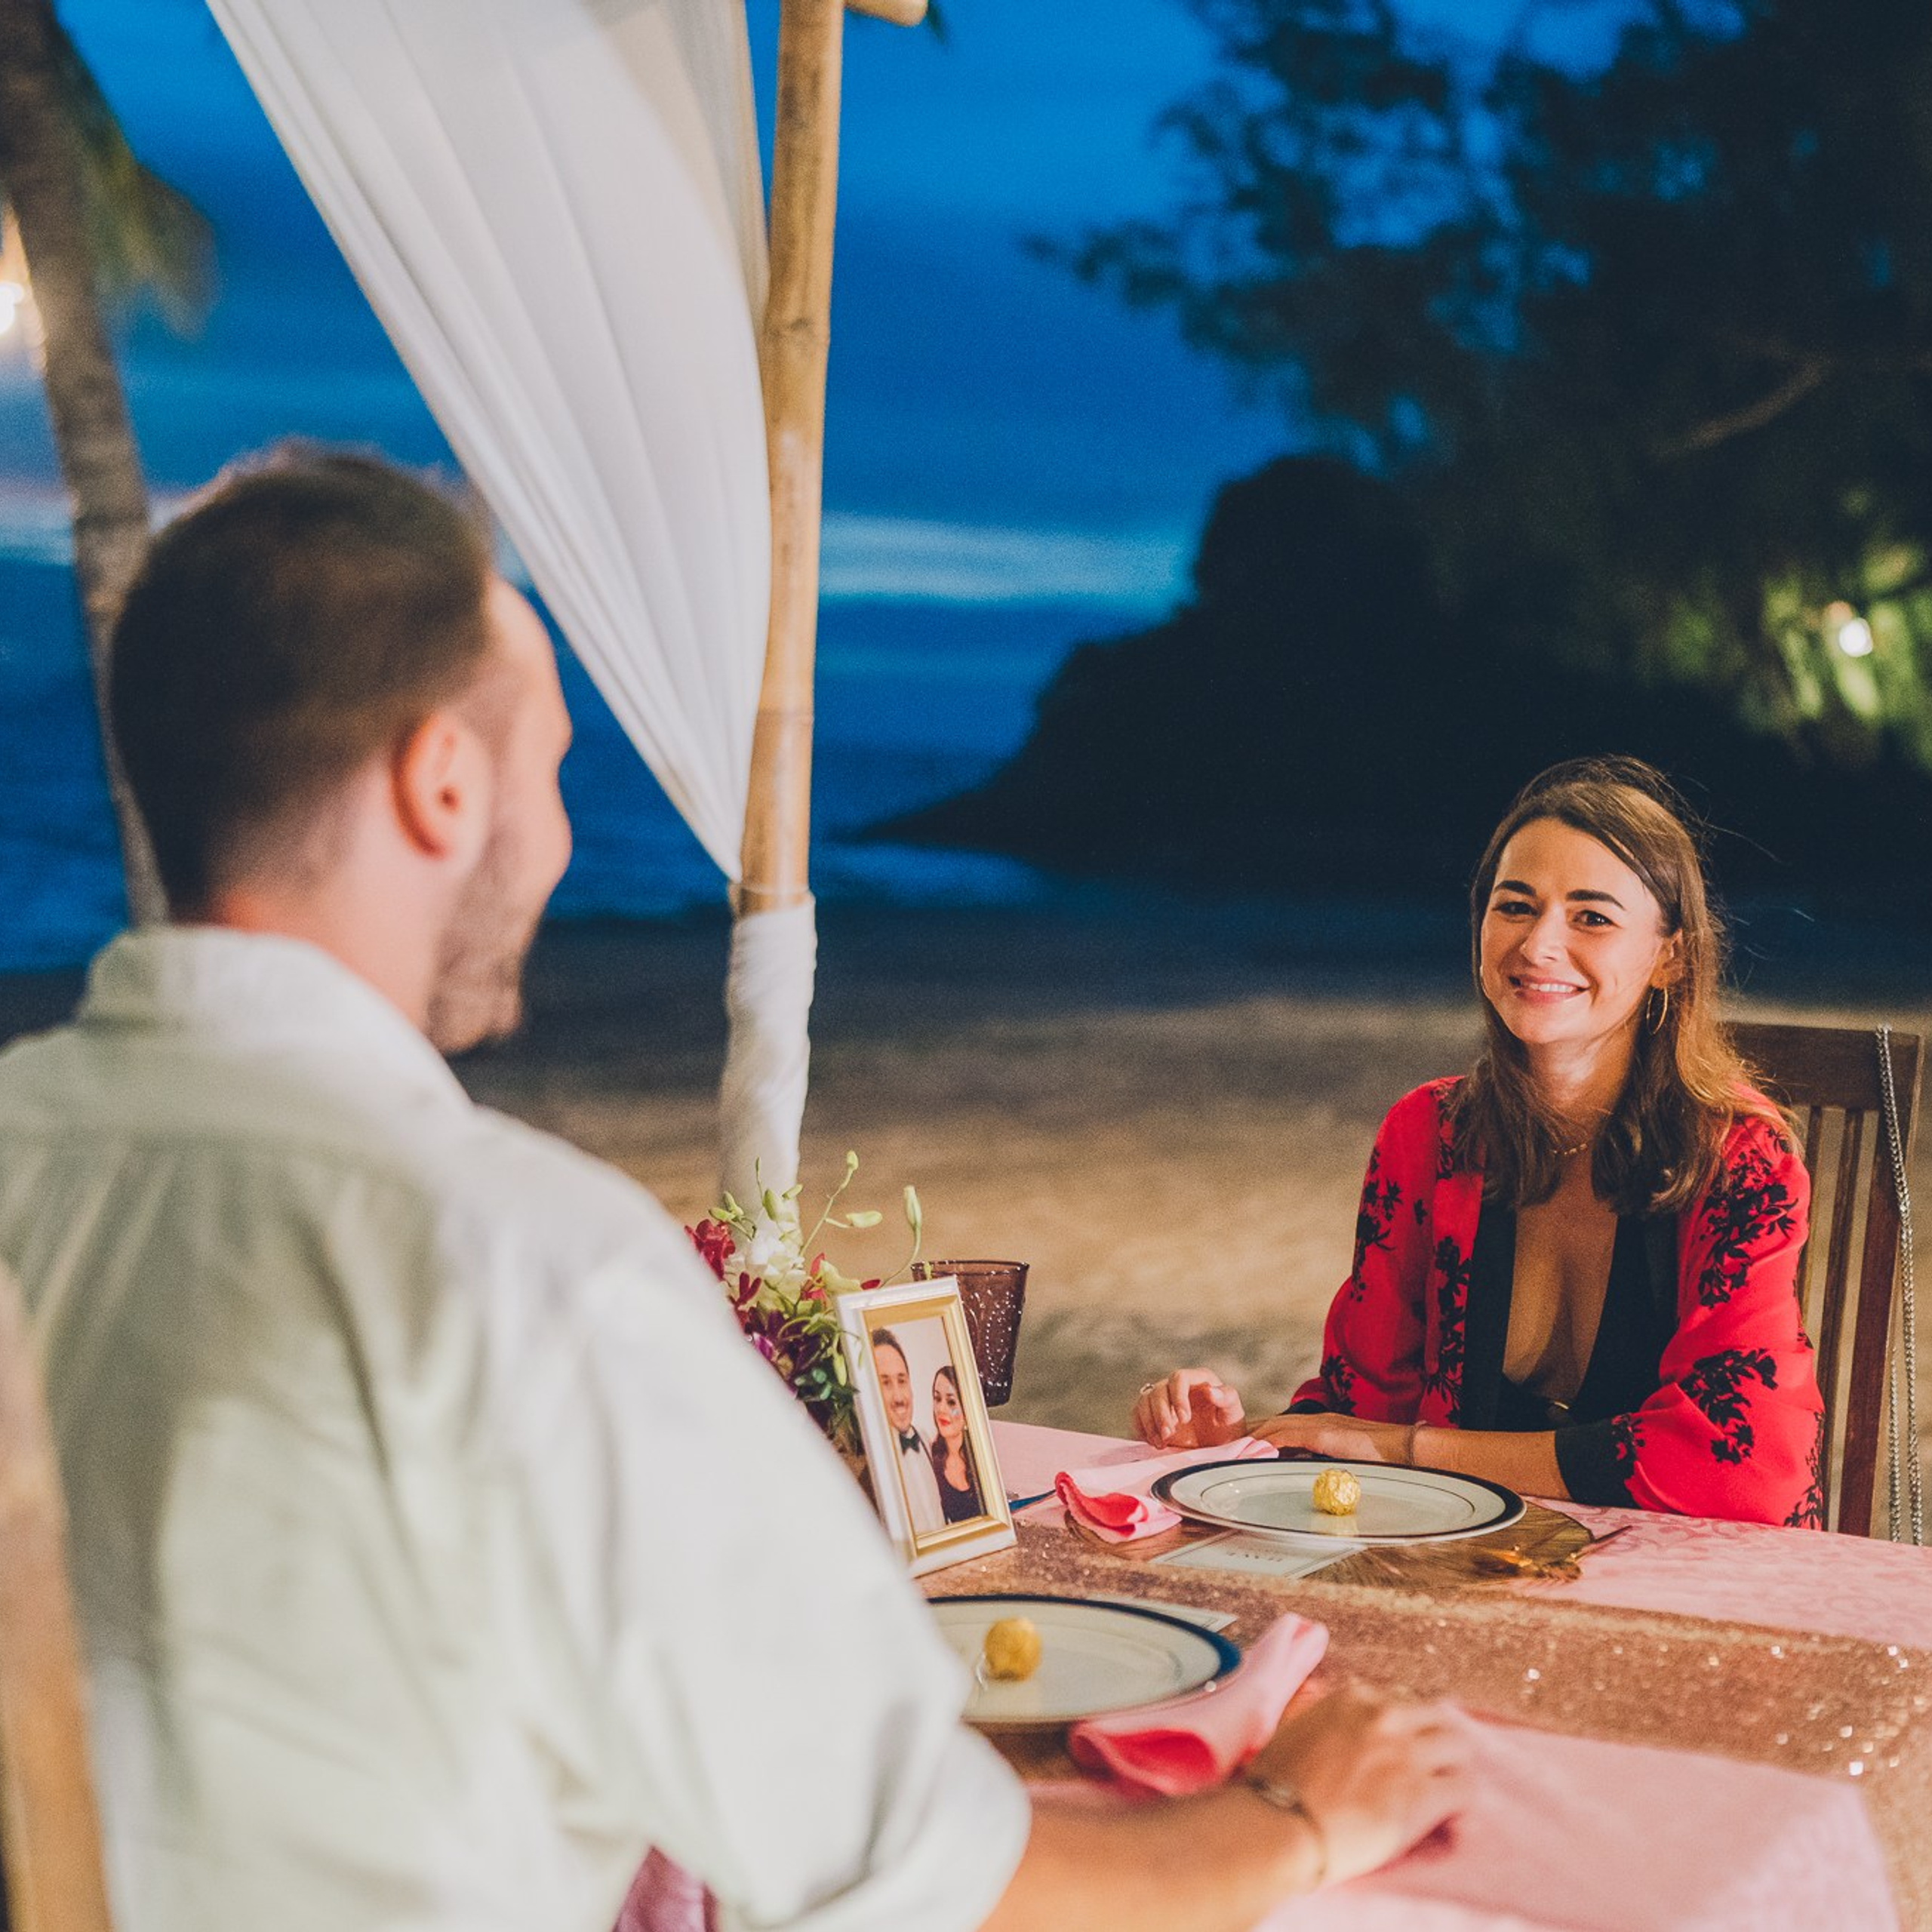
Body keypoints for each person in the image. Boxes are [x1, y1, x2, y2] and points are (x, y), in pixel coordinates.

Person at [0, 447, 1469, 1932]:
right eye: (552, 767)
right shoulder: (520, 1262)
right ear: (441, 782)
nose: (562, 836)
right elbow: (924, 1875)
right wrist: (1290, 1820)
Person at [1136, 756, 1826, 1527]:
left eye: (1592, 917)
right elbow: (1359, 1413)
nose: (1538, 944)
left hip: (1693, 1581)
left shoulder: (1739, 1161)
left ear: (1672, 956)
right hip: (1466, 1563)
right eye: (1515, 906)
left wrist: (1413, 1450)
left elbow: (1738, 1464)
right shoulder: (1429, 1136)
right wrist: (1232, 1445)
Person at [873, 1326, 945, 1535]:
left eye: (902, 1381)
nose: (899, 1397)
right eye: (885, 1384)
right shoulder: (872, 1463)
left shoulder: (926, 1440)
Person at [929, 1362, 985, 1522]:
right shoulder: (932, 1460)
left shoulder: (981, 1459)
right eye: (937, 1399)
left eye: (951, 1402)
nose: (941, 1409)